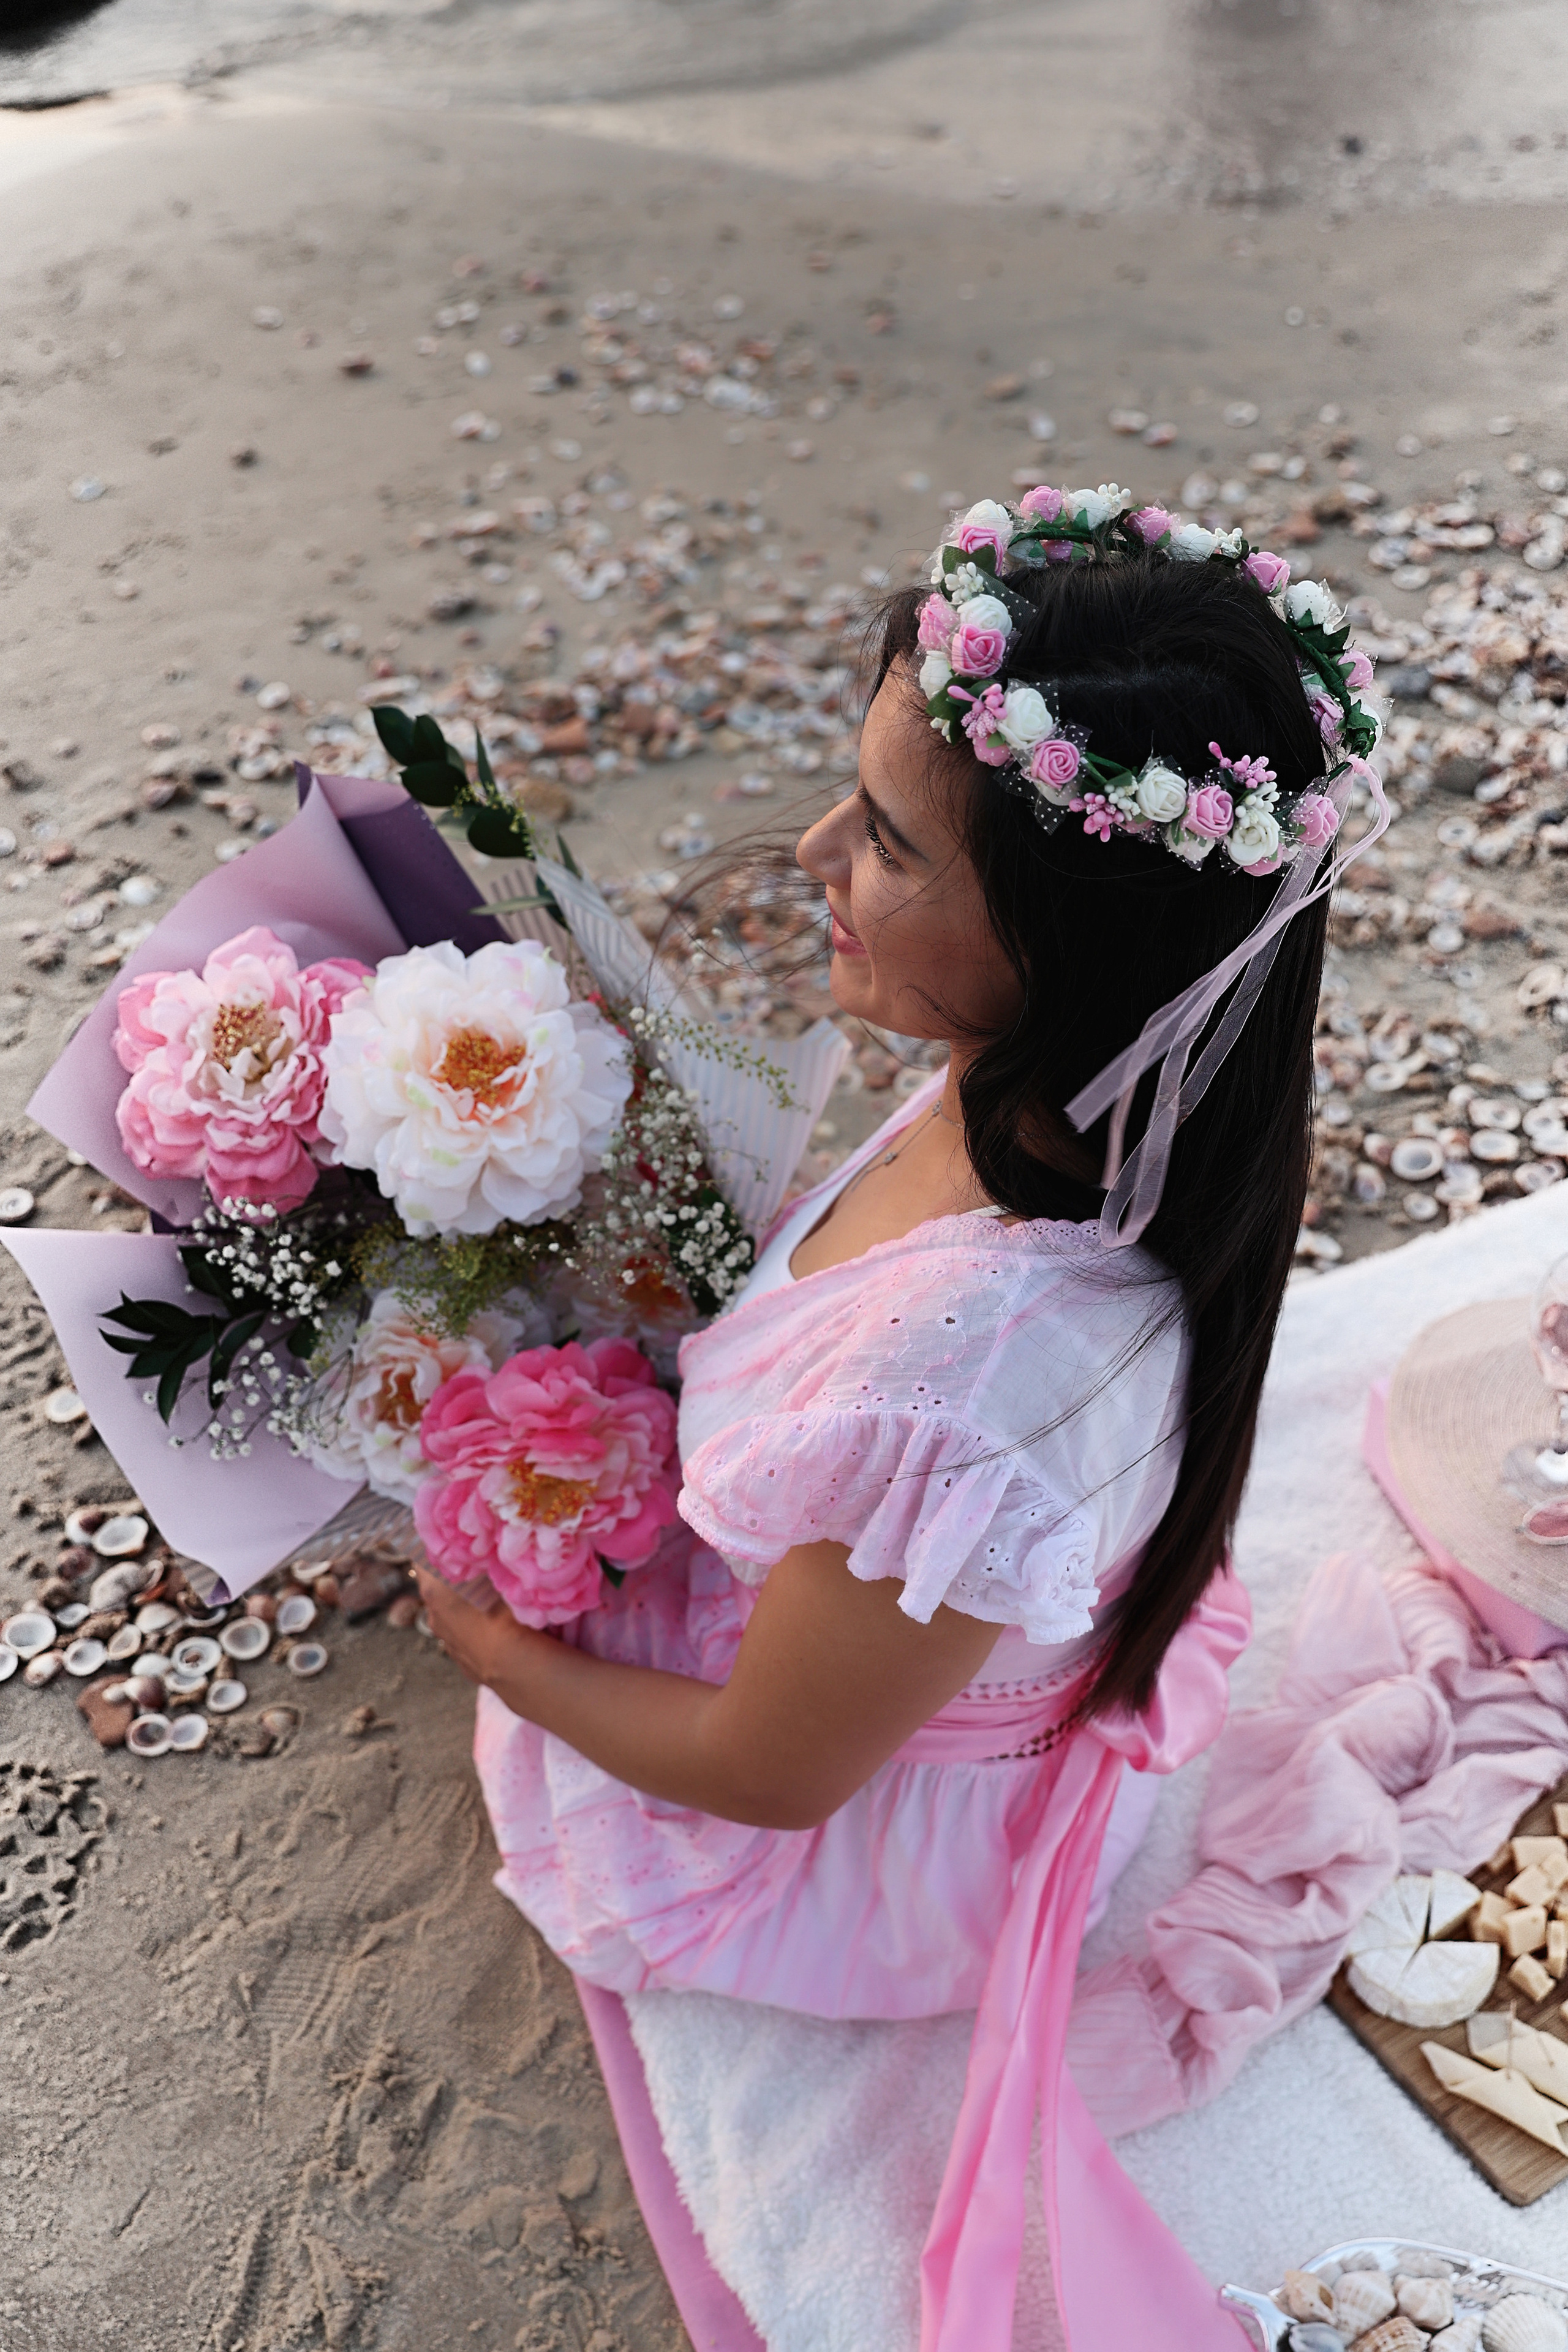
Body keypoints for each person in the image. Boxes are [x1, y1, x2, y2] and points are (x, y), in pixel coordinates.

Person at [415, 491, 1385, 2350]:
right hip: (893, 1626)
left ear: (1072, 939)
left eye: (888, 846)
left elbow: (774, 1774)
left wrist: (491, 1648)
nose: (811, 854)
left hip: (843, 1811)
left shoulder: (968, 1386)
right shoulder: (1079, 1104)